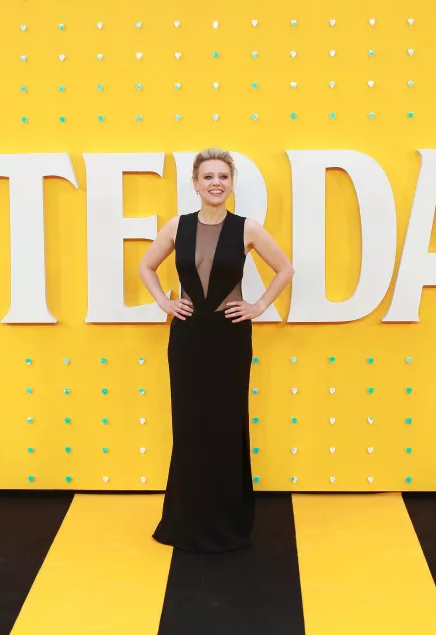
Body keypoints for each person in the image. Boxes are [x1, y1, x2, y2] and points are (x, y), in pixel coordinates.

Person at [138, 148, 294, 554]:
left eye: (223, 176)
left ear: (231, 183)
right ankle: (186, 520)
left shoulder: (248, 229)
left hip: (229, 338)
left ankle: (227, 522)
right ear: (195, 183)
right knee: (190, 426)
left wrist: (258, 307)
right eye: (208, 176)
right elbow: (146, 266)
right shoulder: (177, 226)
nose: (215, 183)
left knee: (225, 425)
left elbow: (285, 269)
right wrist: (165, 302)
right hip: (188, 339)